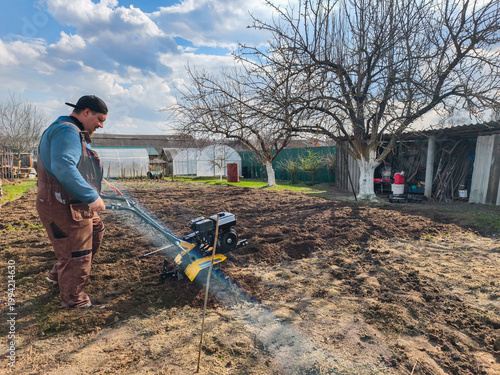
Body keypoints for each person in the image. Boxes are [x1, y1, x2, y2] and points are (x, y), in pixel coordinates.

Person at [36, 95, 108, 308]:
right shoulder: (67, 131)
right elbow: (63, 167)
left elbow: (73, 165)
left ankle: (58, 274)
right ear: (86, 112)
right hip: (61, 203)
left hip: (70, 200)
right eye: (100, 119)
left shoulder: (69, 130)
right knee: (78, 252)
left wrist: (96, 185)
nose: (101, 125)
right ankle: (74, 302)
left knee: (96, 230)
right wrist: (91, 196)